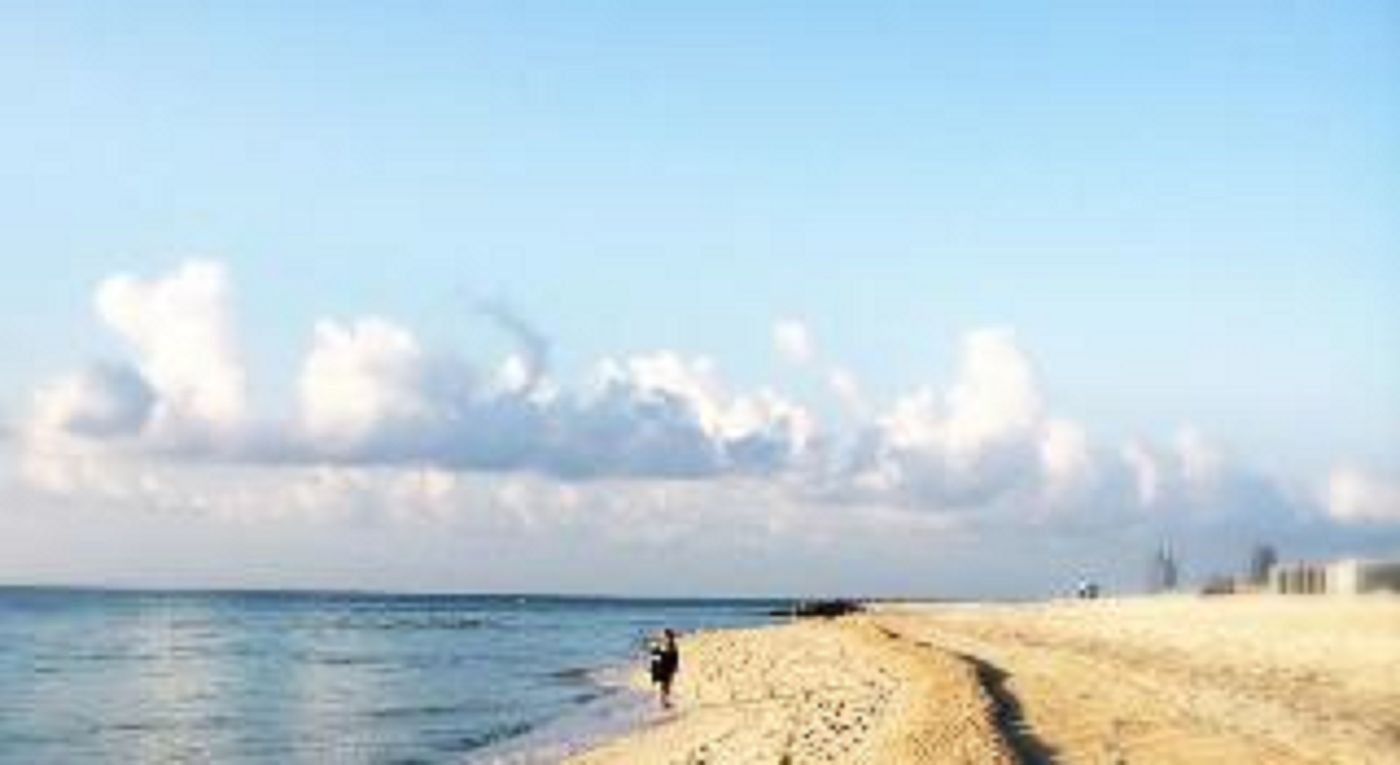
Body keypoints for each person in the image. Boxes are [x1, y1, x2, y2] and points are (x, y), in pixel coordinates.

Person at [648, 628, 680, 708]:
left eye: (667, 636)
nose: (666, 638)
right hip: (665, 668)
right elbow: (659, 657)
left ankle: (664, 702)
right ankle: (664, 702)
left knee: (666, 686)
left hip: (667, 668)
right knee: (665, 685)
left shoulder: (671, 645)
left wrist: (675, 667)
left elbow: (673, 657)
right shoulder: (669, 645)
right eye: (667, 636)